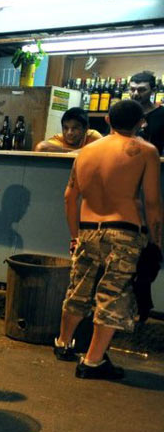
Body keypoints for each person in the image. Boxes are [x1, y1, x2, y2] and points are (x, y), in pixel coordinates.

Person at [52, 100, 162, 379]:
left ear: (109, 122)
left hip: (88, 230)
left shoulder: (86, 152)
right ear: (141, 123)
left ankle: (63, 343)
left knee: (78, 289)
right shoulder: (146, 151)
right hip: (124, 233)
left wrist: (75, 236)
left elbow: (69, 197)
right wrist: (157, 240)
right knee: (112, 296)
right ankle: (92, 361)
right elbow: (151, 203)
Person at [34, 107, 103, 153]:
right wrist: (73, 153)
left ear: (86, 128)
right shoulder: (59, 139)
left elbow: (105, 150)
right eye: (65, 128)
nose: (69, 133)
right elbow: (40, 147)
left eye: (75, 128)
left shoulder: (92, 136)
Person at [129, 71, 164, 155]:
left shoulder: (162, 114)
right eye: (132, 89)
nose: (135, 94)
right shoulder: (122, 113)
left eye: (141, 90)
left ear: (153, 90)